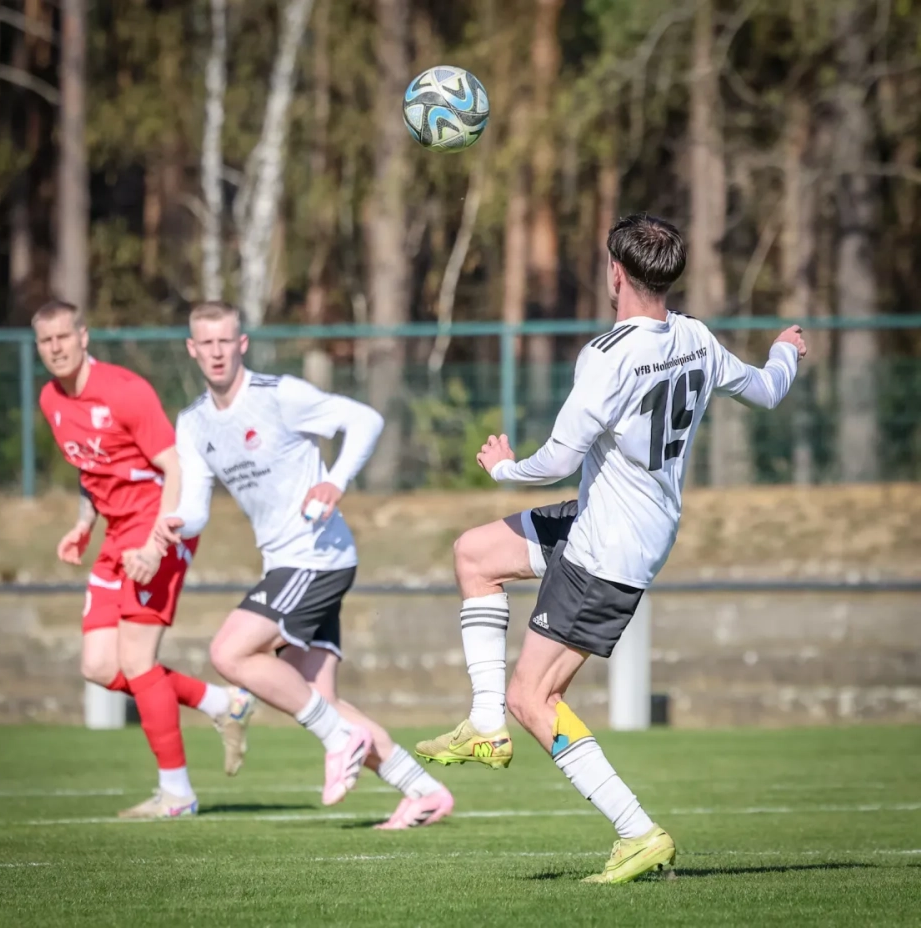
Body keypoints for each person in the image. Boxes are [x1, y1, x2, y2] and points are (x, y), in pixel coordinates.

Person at [438, 213, 806, 883]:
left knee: (535, 700)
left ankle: (637, 832)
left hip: (608, 551)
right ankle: (484, 726)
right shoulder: (695, 337)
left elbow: (559, 457)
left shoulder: (607, 355)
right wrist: (784, 348)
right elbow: (769, 389)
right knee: (475, 554)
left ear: (616, 273)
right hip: (606, 521)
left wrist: (503, 468)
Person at [151, 301, 454, 829]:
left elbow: (365, 420)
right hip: (289, 563)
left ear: (241, 344)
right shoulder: (194, 423)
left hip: (315, 558)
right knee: (319, 699)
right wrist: (177, 521)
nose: (217, 352)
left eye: (226, 341)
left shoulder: (278, 395)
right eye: (207, 343)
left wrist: (335, 481)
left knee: (229, 652)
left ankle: (340, 739)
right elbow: (196, 505)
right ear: (192, 349)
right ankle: (422, 790)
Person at [34, 300, 255, 819]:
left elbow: (174, 468)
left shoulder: (125, 391)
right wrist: (84, 525)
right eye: (46, 341)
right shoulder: (51, 399)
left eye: (64, 336)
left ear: (84, 336)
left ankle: (177, 794)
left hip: (158, 525)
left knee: (136, 661)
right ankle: (222, 703)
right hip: (115, 533)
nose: (56, 348)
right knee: (99, 666)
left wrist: (156, 545)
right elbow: (92, 469)